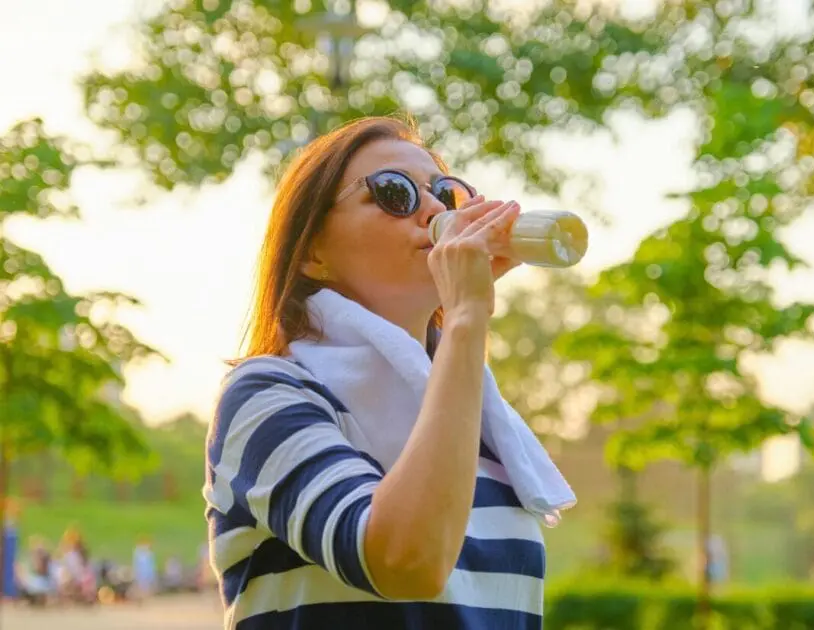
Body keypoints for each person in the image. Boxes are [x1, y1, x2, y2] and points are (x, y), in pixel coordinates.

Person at [204, 115, 575, 629]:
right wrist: (467, 318)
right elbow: (405, 562)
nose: (431, 209)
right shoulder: (268, 393)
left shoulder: (481, 422)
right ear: (312, 251)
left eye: (447, 194)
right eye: (394, 192)